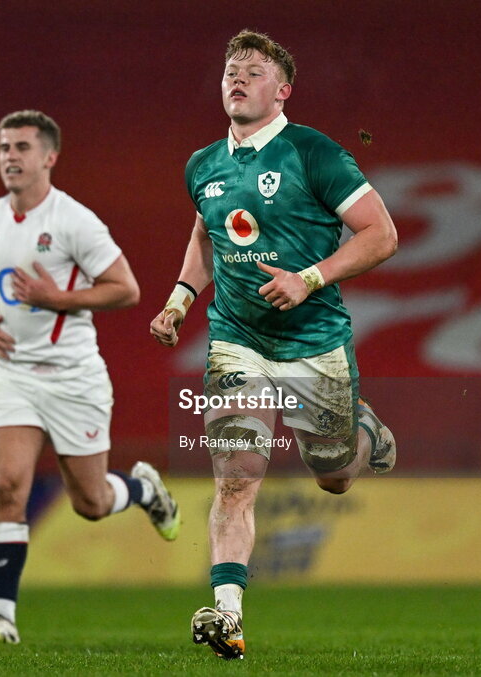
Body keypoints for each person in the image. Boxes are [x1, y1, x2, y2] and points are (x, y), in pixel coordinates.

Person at [149, 31, 399, 660]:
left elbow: (382, 233)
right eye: (231, 71)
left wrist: (309, 277)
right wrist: (181, 300)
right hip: (238, 340)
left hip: (315, 341)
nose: (237, 80)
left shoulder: (314, 153)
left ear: (282, 90)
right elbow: (207, 237)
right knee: (237, 476)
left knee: (335, 475)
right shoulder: (202, 165)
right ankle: (228, 618)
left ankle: (369, 434)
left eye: (253, 72)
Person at [0, 110, 181, 644]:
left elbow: (125, 288)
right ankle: (3, 618)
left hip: (73, 378)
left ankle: (142, 490)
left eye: (21, 147)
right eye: (3, 147)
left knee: (90, 504)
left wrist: (59, 298)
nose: (10, 157)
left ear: (49, 157)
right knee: (6, 484)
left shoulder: (74, 221)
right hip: (14, 375)